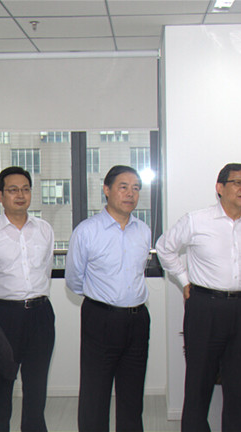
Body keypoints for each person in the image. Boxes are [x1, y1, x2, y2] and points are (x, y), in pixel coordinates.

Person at [156, 163, 241, 432]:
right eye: (237, 183)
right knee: (198, 381)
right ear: (220, 187)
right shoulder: (197, 220)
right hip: (205, 307)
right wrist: (184, 280)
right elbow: (165, 248)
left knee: (238, 383)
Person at [65, 165, 151, 432]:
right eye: (123, 187)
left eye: (136, 188)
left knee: (132, 394)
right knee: (95, 393)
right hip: (101, 318)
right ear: (106, 190)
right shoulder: (87, 231)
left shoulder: (143, 230)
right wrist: (102, 301)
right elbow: (74, 279)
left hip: (138, 319)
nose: (130, 193)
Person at [0, 167, 55, 432]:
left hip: (40, 315)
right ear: (0, 195)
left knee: (37, 390)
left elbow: (46, 270)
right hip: (3, 316)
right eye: (13, 190)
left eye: (25, 189)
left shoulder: (44, 229)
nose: (20, 195)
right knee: (0, 391)